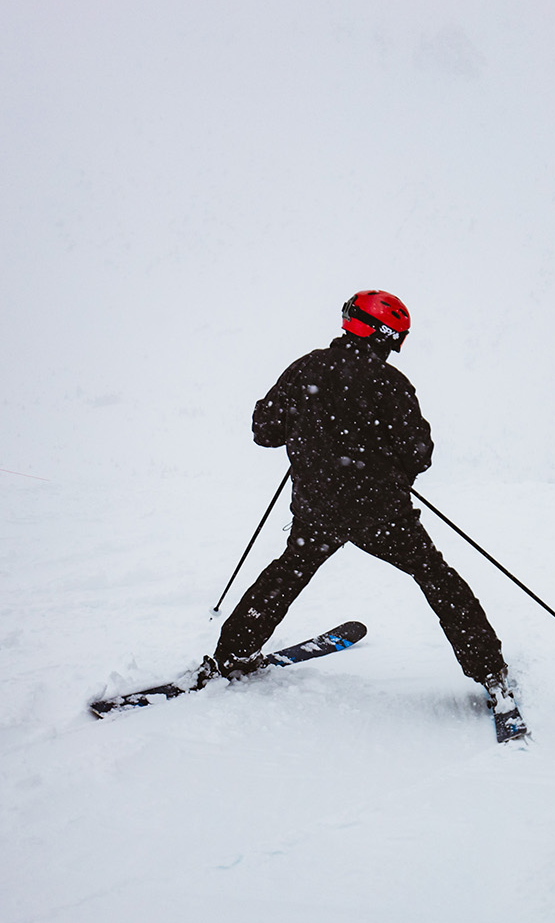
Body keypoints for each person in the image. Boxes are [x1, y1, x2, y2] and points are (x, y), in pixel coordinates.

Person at [204, 291, 527, 743]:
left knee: (289, 570)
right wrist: (381, 469)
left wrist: (313, 441)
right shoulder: (391, 384)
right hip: (380, 513)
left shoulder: (307, 369)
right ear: (390, 337)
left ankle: (232, 654)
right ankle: (490, 673)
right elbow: (420, 454)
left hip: (318, 507)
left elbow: (265, 431)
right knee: (435, 577)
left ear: (350, 323)